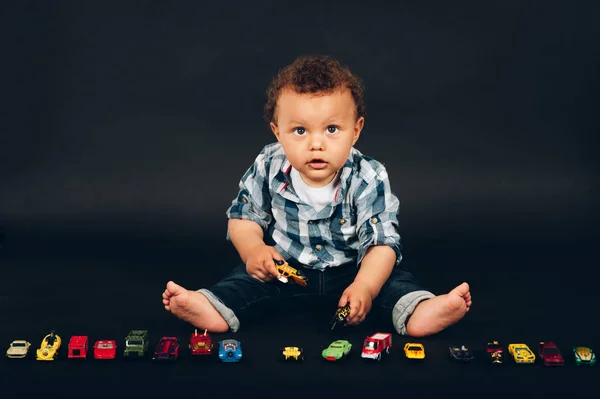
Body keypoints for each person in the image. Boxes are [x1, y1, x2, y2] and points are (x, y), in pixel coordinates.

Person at [162, 55, 472, 336]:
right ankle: (211, 307)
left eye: (332, 129)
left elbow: (382, 243)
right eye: (300, 131)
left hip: (353, 271)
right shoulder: (269, 165)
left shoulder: (367, 175)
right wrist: (254, 250)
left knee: (392, 283)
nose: (316, 144)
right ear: (277, 132)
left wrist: (365, 285)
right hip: (286, 271)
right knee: (245, 281)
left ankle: (419, 310)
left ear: (356, 130)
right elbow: (243, 218)